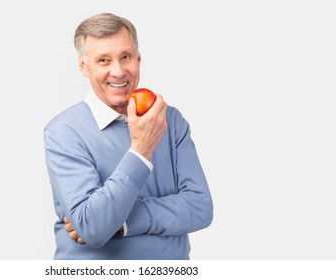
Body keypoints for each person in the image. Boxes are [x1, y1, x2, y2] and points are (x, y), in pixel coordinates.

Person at [43, 12, 213, 260]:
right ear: (84, 66)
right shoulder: (63, 132)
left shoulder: (170, 120)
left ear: (138, 59)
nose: (118, 71)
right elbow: (93, 227)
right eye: (103, 60)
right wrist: (140, 150)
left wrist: (121, 222)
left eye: (126, 57)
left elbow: (200, 208)